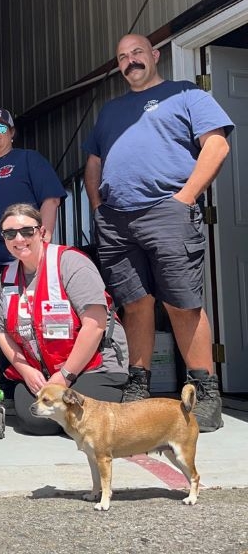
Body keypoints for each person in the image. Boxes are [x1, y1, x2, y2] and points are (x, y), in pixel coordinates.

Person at [83, 33, 233, 432]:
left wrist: (185, 198)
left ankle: (205, 393)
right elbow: (93, 163)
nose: (130, 61)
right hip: (116, 220)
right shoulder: (110, 111)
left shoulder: (186, 95)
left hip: (167, 211)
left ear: (155, 55)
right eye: (122, 57)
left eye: (137, 53)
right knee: (135, 304)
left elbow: (216, 146)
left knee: (182, 303)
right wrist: (97, 208)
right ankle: (138, 386)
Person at [0, 203, 128, 436]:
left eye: (27, 231)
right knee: (36, 423)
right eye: (10, 233)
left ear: (42, 232)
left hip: (92, 366)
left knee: (85, 421)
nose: (19, 239)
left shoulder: (70, 262)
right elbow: (1, 330)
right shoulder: (6, 277)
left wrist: (65, 375)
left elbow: (95, 325)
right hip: (41, 371)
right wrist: (25, 370)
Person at [0, 107, 65, 306]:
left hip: (23, 256)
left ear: (11, 133)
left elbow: (51, 200)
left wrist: (44, 238)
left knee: (25, 312)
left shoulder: (29, 159)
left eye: (0, 127)